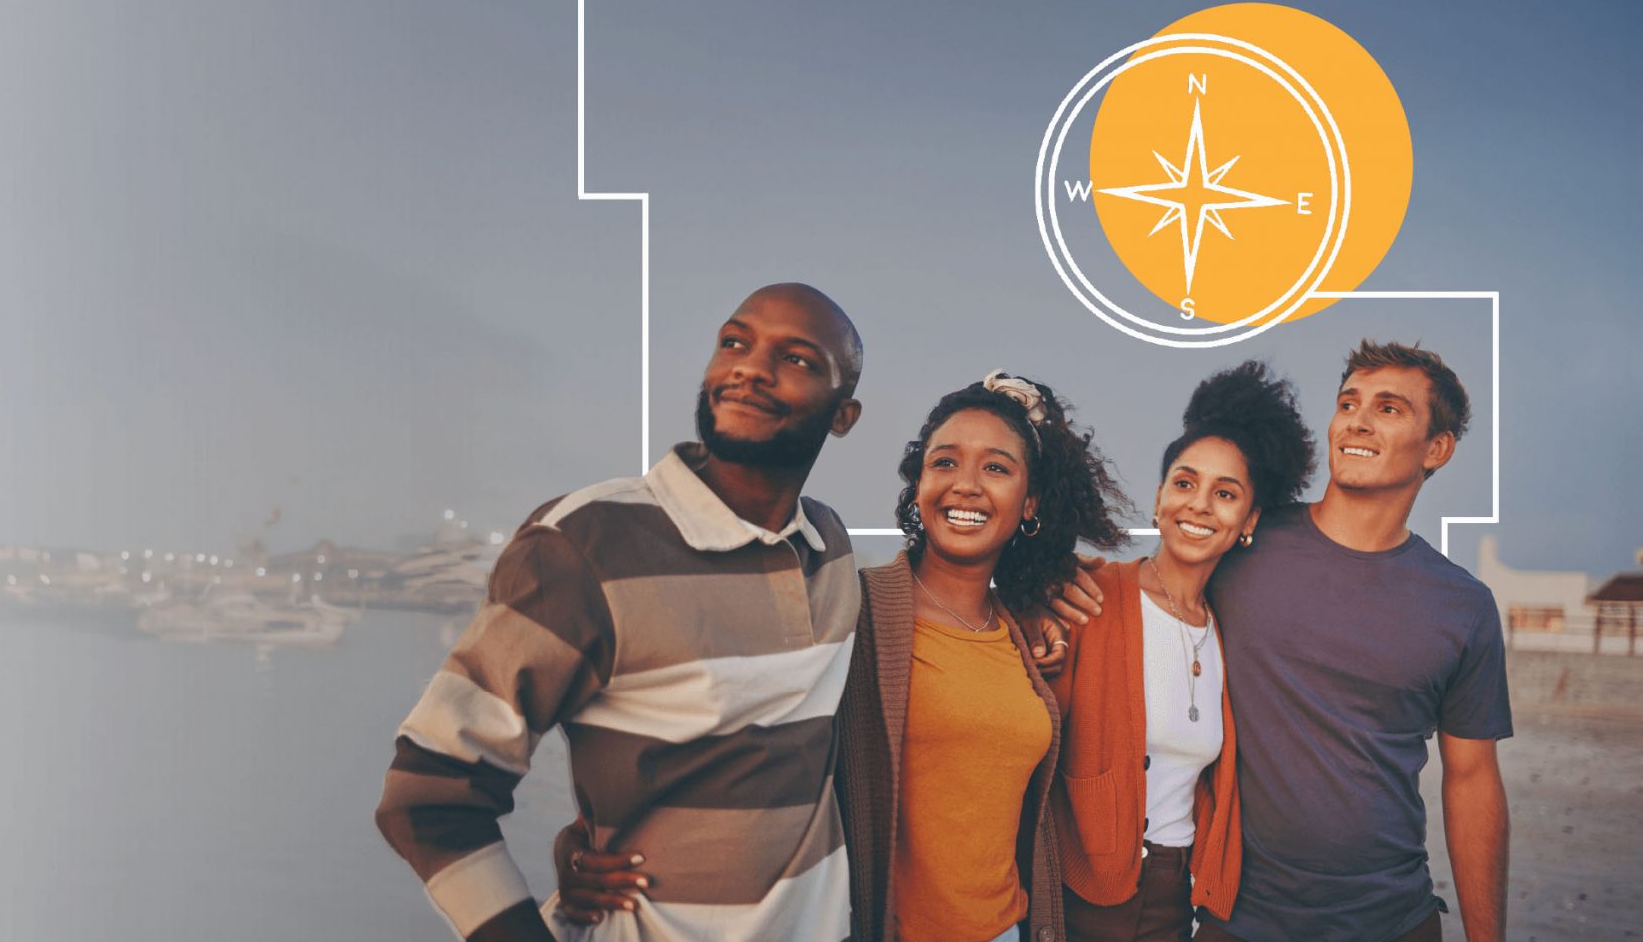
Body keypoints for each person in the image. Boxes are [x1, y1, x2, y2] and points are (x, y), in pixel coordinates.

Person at [372, 284, 869, 940]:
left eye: (798, 358)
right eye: (734, 342)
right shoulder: (584, 544)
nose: (749, 366)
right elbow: (428, 799)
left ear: (843, 416)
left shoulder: (828, 547)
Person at [561, 370, 1127, 942]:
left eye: (997, 468)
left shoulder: (1023, 635)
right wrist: (590, 831)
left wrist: (1042, 595)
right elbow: (724, 714)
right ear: (919, 484)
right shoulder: (848, 607)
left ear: (1028, 502)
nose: (967, 485)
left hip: (1009, 930)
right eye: (945, 462)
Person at [1051, 341, 1511, 942]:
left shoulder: (1463, 607)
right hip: (1238, 916)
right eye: (1348, 402)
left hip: (1394, 919)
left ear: (1437, 448)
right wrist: (1051, 586)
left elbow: (1472, 779)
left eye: (1389, 408)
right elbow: (1153, 583)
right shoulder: (1245, 545)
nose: (1358, 420)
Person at [1050, 361, 1314, 941]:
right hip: (1080, 890)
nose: (1198, 505)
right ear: (1159, 497)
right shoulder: (1087, 594)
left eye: (1225, 494)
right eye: (1185, 483)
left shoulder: (1228, 630)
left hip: (1176, 896)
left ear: (1248, 521)